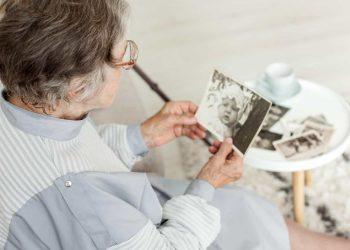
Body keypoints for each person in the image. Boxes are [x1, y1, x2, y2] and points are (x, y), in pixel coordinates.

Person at [0, 1, 349, 249]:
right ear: (77, 89)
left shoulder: (26, 103)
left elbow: (78, 158)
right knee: (241, 218)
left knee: (243, 210)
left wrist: (141, 136)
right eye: (124, 59)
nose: (127, 65)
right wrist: (207, 183)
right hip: (148, 236)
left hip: (122, 214)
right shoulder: (82, 202)